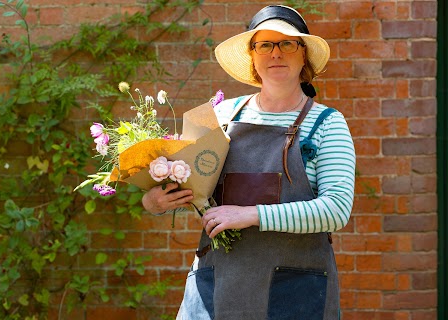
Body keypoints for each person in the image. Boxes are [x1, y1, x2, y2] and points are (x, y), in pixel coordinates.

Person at [142, 4, 355, 320]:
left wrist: (251, 215)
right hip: (218, 285)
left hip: (294, 292)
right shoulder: (219, 114)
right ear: (253, 57)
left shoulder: (327, 123)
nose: (275, 53)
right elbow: (191, 186)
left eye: (287, 43)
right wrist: (155, 200)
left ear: (304, 56)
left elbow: (335, 210)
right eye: (265, 45)